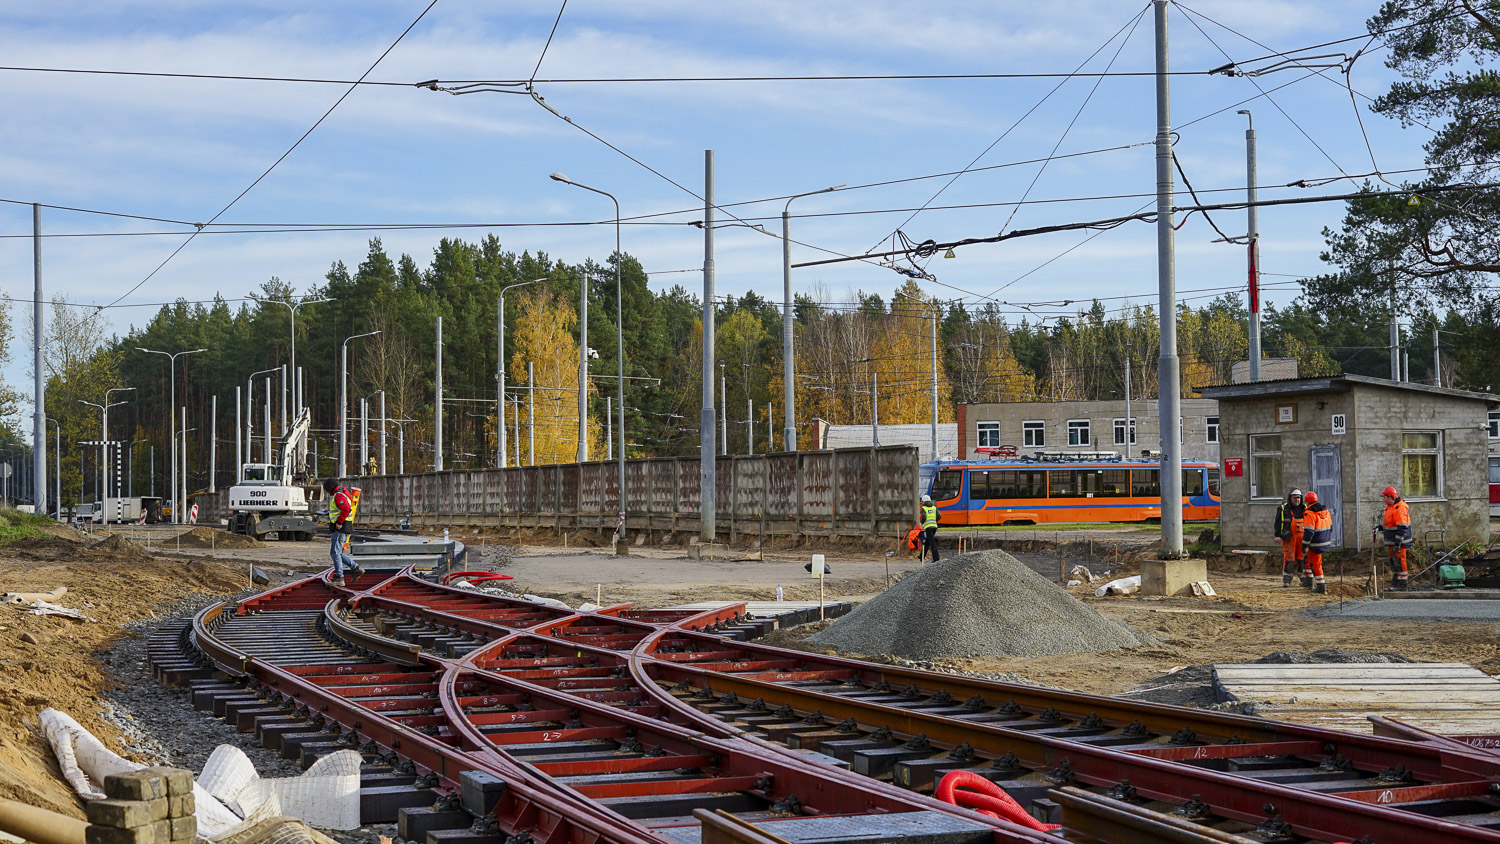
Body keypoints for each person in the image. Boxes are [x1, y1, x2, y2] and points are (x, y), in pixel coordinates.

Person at [324, 478, 362, 586]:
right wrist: (329, 511)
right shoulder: (342, 493)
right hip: (344, 528)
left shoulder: (338, 495)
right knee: (336, 553)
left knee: (335, 553)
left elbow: (346, 508)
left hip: (341, 528)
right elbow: (341, 509)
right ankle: (355, 568)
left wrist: (339, 522)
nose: (327, 493)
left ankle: (339, 577)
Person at [1378, 485, 1413, 590]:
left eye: (1384, 497)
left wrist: (1397, 543)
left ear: (1390, 497)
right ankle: (1396, 582)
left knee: (1399, 561)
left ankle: (1402, 585)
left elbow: (1402, 527)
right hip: (1392, 542)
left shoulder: (1399, 508)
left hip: (1398, 542)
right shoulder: (1390, 508)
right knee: (1394, 561)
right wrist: (1379, 527)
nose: (1383, 499)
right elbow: (1389, 524)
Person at [1300, 490, 1333, 594]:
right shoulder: (1325, 511)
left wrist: (1304, 544)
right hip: (1324, 541)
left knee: (1316, 564)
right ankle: (1309, 581)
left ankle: (1321, 586)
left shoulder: (1309, 513)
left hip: (1315, 543)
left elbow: (1309, 531)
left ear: (1307, 502)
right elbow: (1330, 527)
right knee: (1310, 561)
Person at [1274, 488, 1306, 588]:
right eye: (1295, 498)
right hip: (1289, 538)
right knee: (1289, 559)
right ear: (1290, 498)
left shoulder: (1304, 508)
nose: (1297, 500)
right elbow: (1278, 522)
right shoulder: (1284, 508)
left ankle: (1303, 579)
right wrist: (1277, 535)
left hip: (1302, 538)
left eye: (1298, 498)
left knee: (1302, 558)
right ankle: (1287, 580)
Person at [919, 493, 940, 563]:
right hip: (934, 527)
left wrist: (922, 522)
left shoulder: (923, 508)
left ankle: (936, 558)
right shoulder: (934, 508)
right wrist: (934, 520)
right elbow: (939, 516)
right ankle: (921, 556)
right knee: (928, 541)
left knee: (932, 542)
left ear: (923, 502)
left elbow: (923, 517)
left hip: (928, 527)